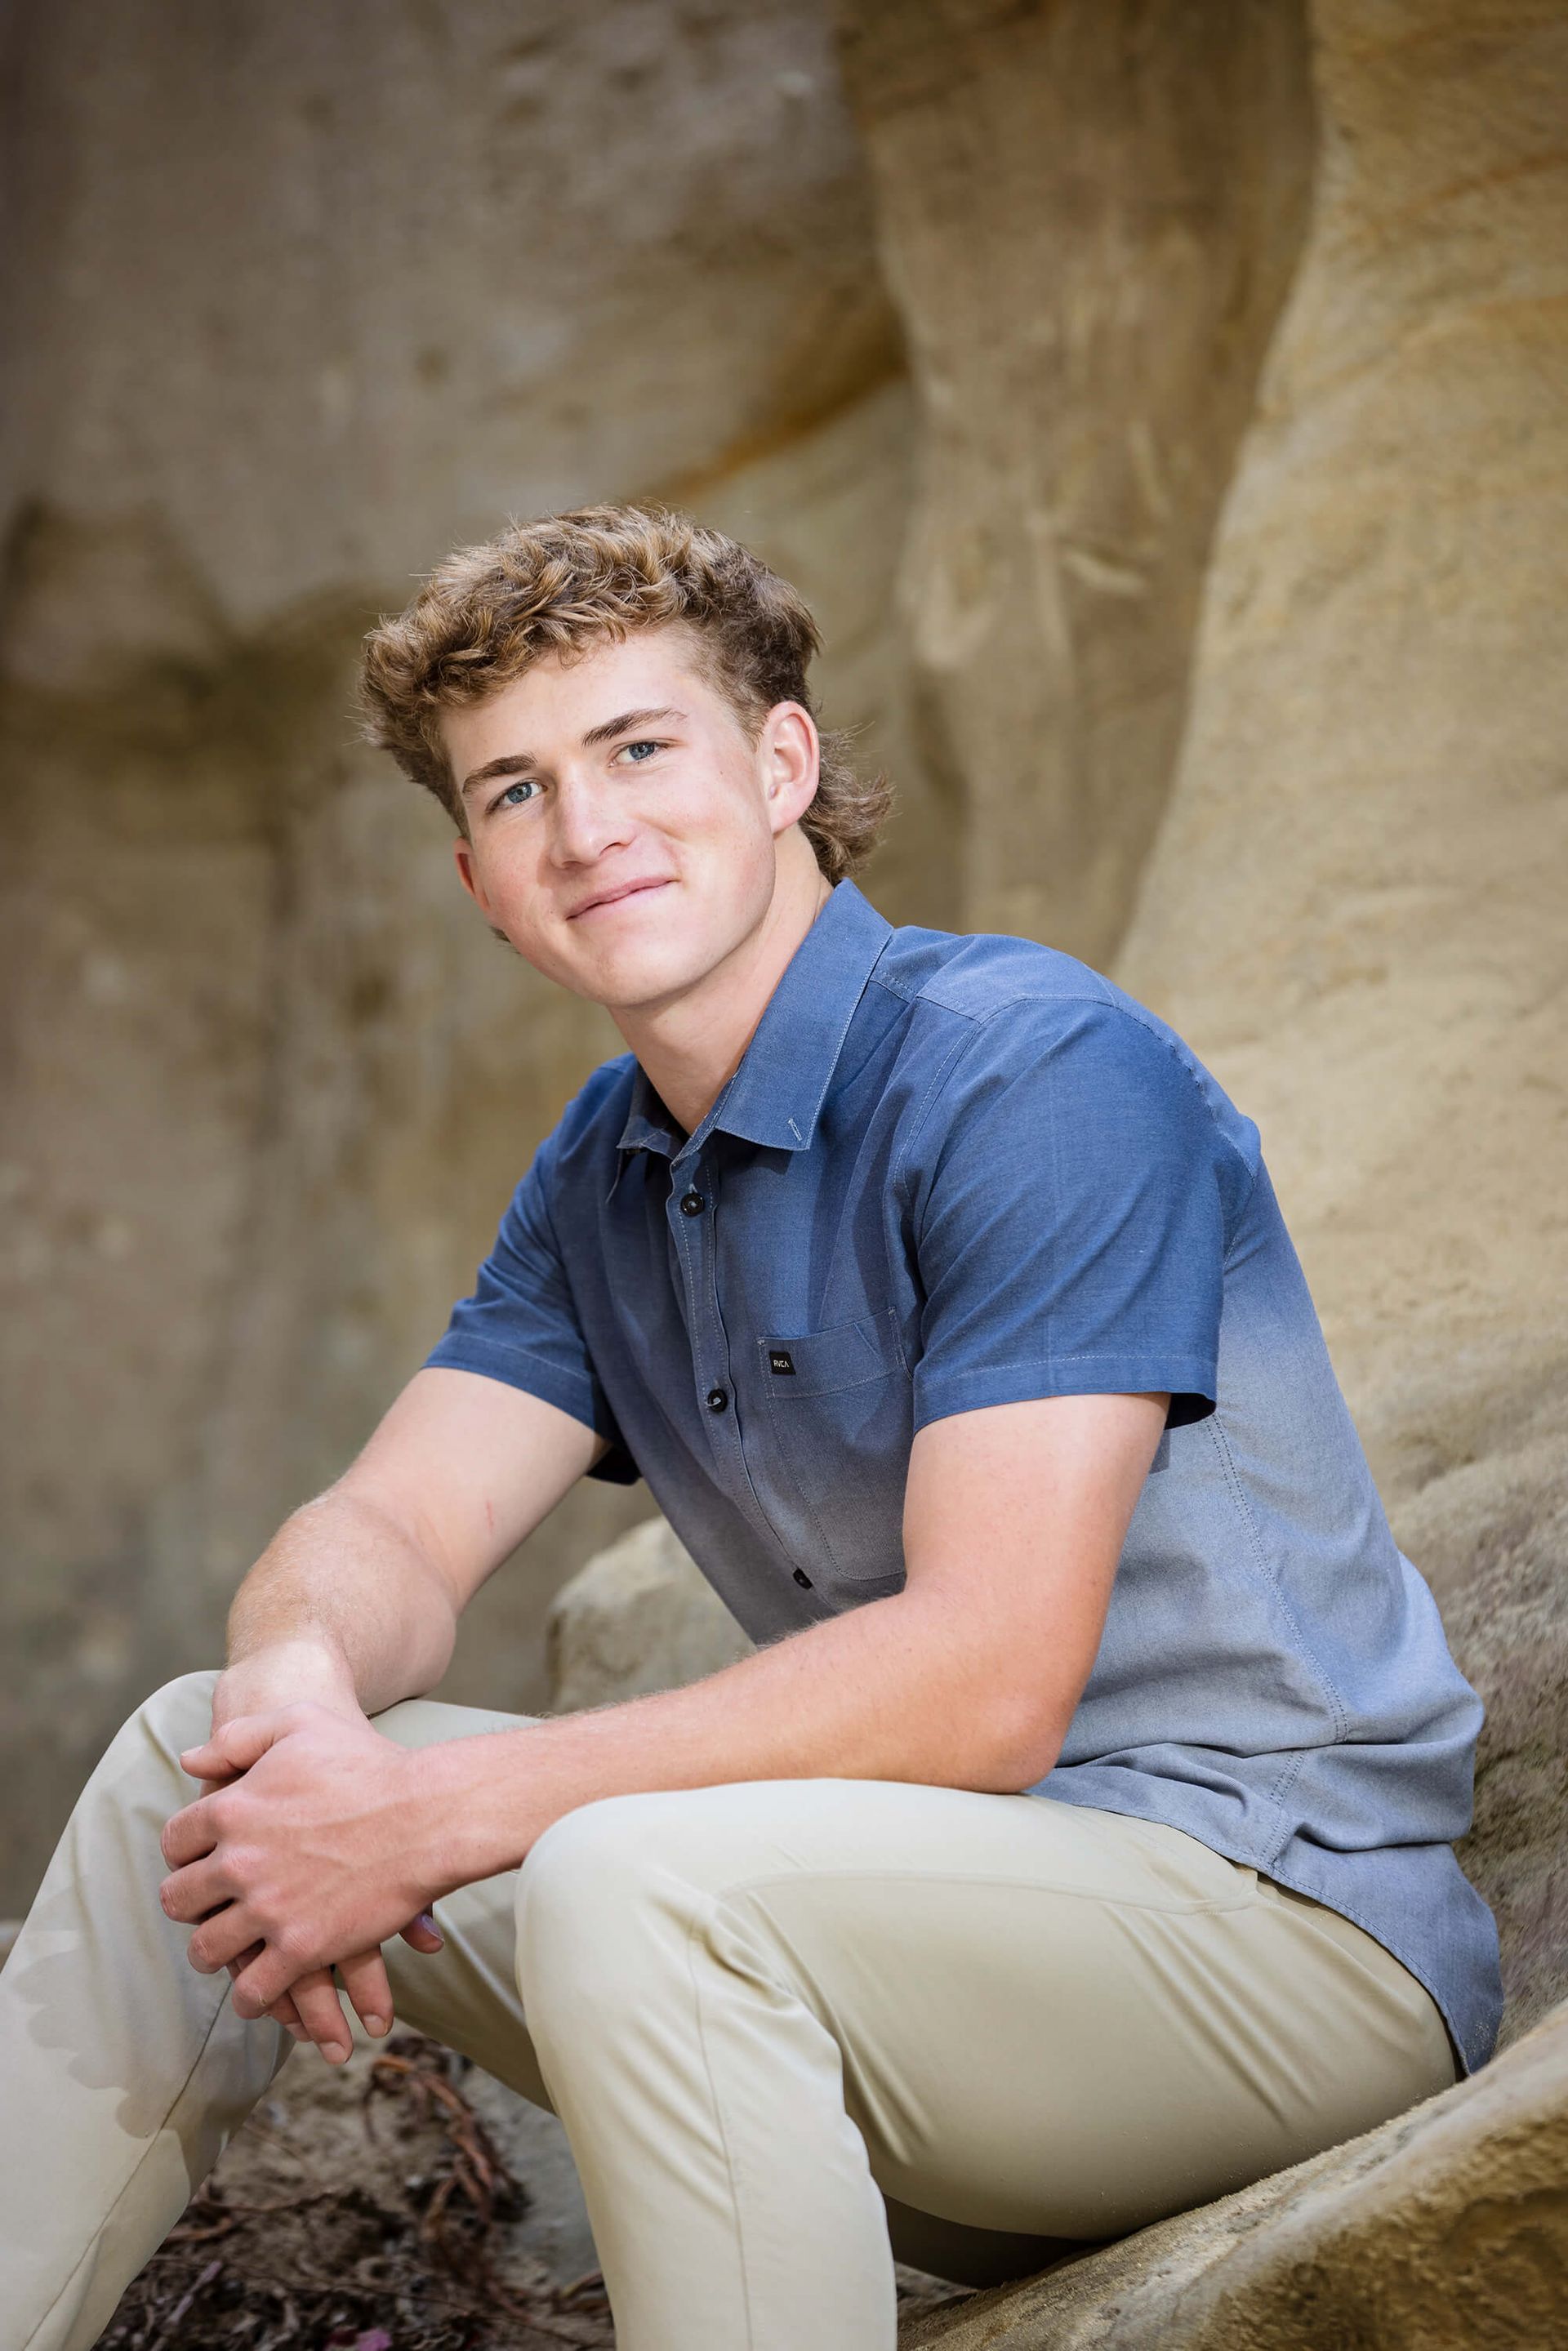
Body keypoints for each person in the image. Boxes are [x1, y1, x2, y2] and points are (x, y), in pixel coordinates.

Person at [0, 504, 1501, 2351]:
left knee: (641, 1871)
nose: (589, 825)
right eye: (514, 790)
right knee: (197, 1770)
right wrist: (304, 1708)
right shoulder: (604, 1173)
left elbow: (985, 1679)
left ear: (781, 762)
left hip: (1273, 1956)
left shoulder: (1031, 1070)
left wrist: (425, 1815)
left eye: (639, 748)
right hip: (908, 2006)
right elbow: (391, 1528)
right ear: (476, 875)